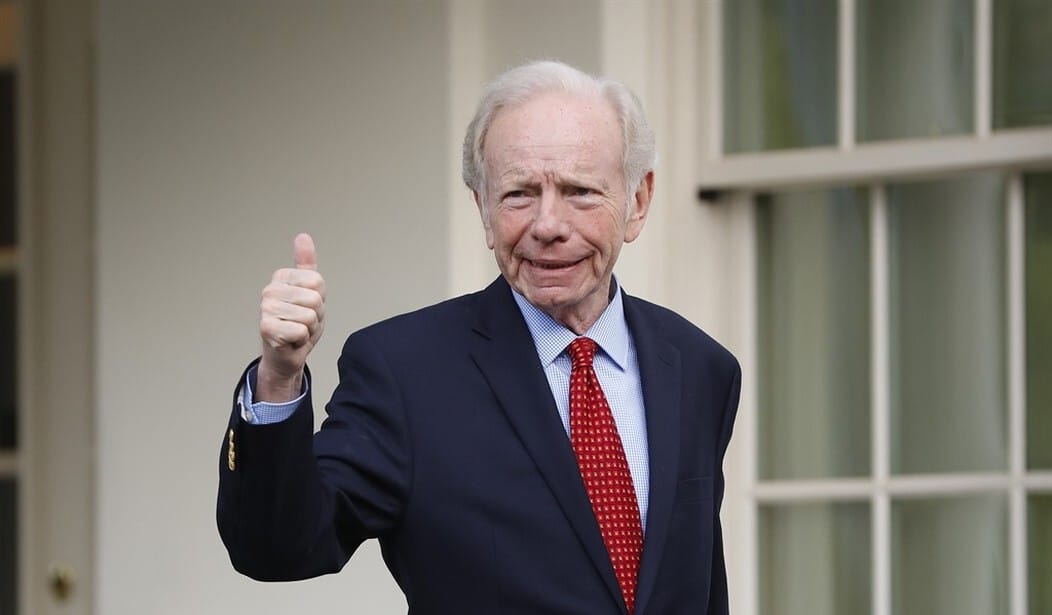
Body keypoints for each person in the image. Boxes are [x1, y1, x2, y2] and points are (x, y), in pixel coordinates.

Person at [217, 60, 740, 615]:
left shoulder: (700, 367)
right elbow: (278, 547)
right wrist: (279, 377)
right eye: (519, 194)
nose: (548, 225)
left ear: (637, 201)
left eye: (580, 192)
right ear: (483, 208)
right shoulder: (406, 372)